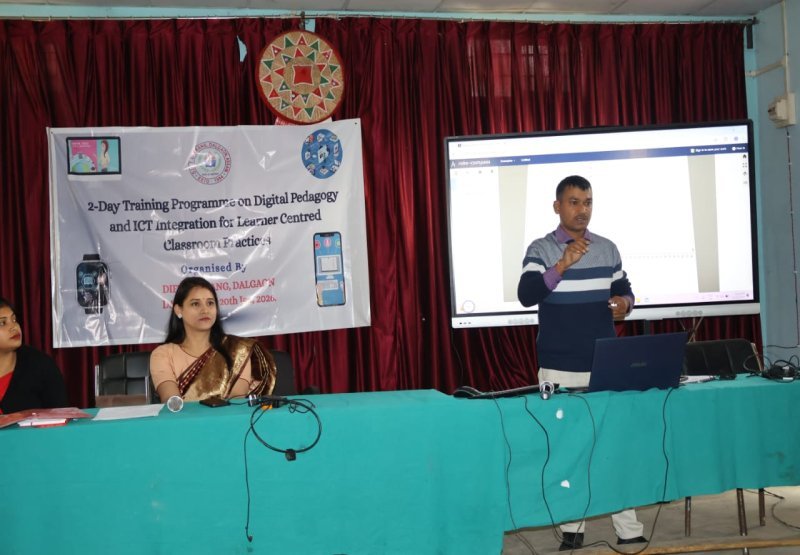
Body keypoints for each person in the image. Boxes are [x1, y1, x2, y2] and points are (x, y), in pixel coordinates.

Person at [517, 175, 646, 551]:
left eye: (587, 202)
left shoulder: (607, 248)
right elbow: (527, 294)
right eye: (574, 202)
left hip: (604, 363)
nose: (582, 209)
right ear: (557, 207)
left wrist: (624, 304)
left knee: (612, 446)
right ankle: (573, 529)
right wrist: (561, 265)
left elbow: (624, 290)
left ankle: (628, 529)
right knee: (567, 448)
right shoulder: (541, 249)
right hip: (559, 365)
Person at [149, 276, 275, 402]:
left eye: (210, 303)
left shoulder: (237, 350)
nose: (205, 310)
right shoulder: (163, 354)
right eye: (195, 304)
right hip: (182, 415)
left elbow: (237, 401)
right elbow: (171, 400)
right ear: (178, 310)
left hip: (229, 415)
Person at [0, 297, 68, 414]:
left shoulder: (40, 365)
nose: (14, 327)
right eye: (2, 323)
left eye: (14, 320)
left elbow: (61, 414)